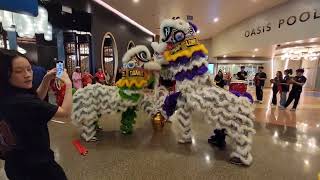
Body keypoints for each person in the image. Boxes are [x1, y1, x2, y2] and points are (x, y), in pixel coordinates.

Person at [0, 49, 72, 180]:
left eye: (29, 69)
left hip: (15, 163)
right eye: (18, 71)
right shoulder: (22, 101)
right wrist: (68, 83)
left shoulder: (9, 95)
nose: (27, 75)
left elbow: (35, 100)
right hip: (37, 166)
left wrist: (46, 79)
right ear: (6, 74)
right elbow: (65, 112)